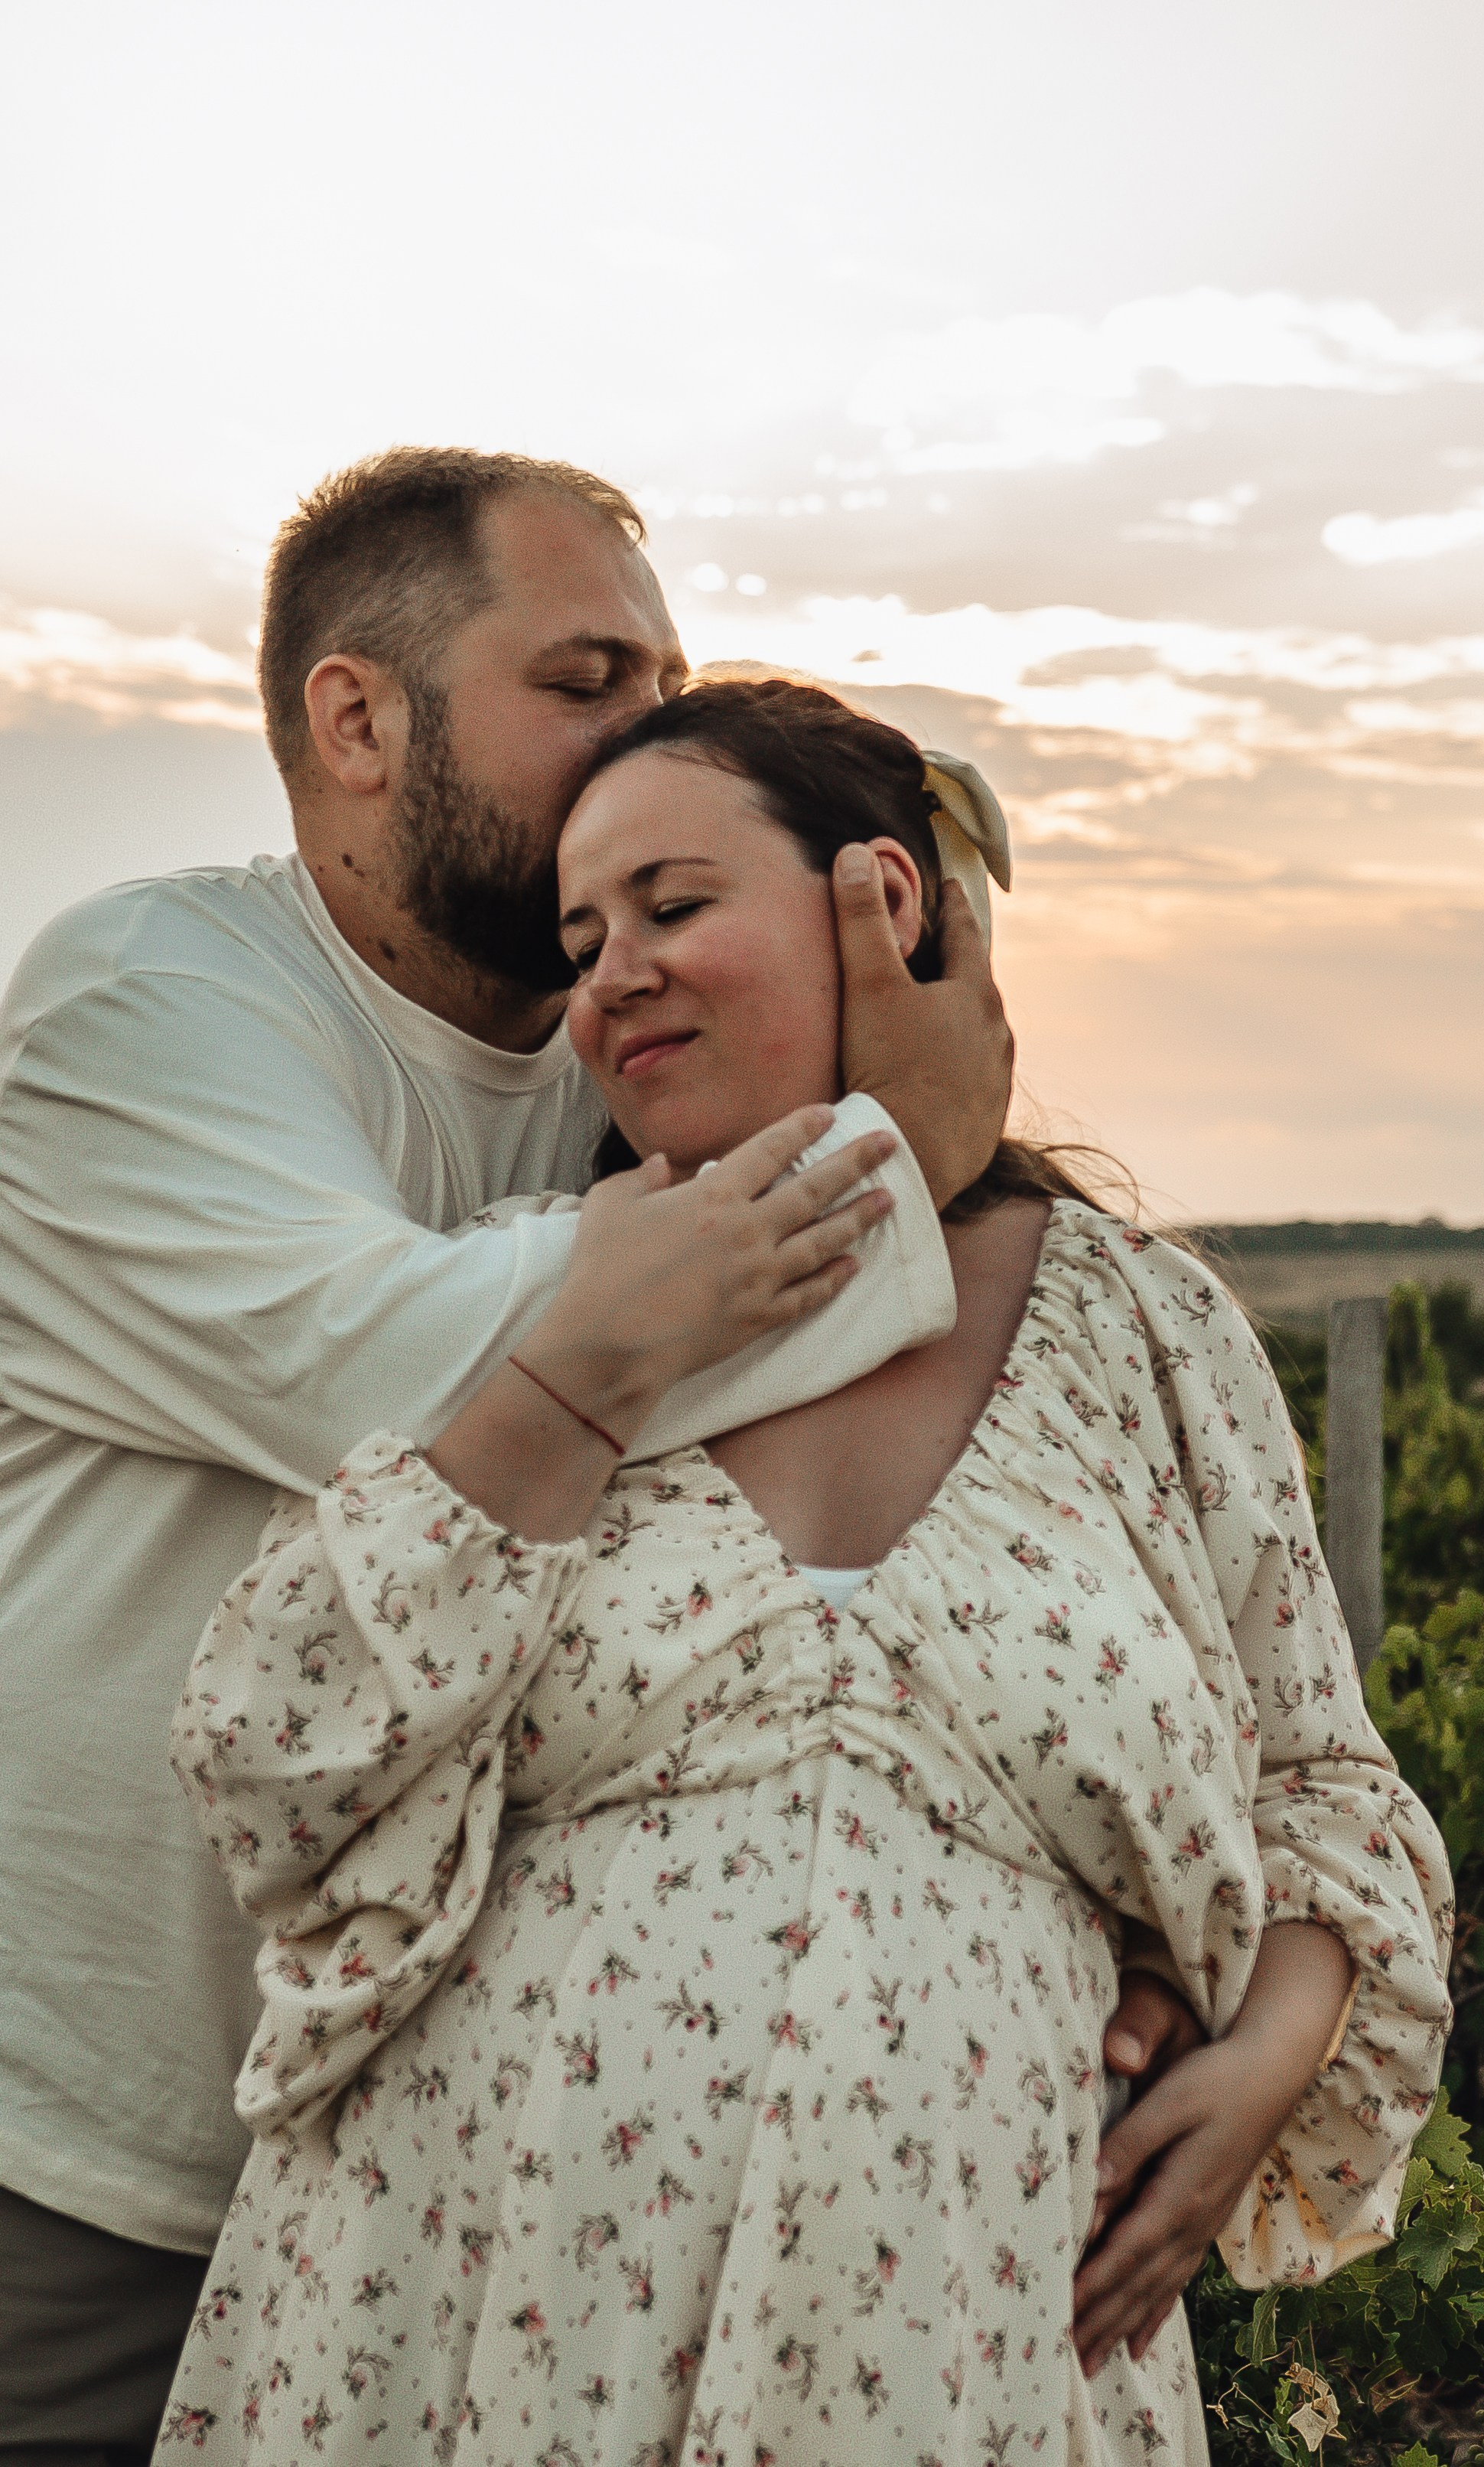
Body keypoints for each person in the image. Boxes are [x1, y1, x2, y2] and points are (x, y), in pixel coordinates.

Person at [0, 450, 1189, 2467]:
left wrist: (1135, 1953)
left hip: (457, 2187)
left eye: (668, 680)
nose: (653, 732)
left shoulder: (620, 1089)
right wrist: (912, 1147)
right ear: (355, 719)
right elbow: (417, 1390)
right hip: (88, 2172)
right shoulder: (147, 1008)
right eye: (588, 677)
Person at [161, 680, 1453, 2465]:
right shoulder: (528, 1295)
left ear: (886, 905)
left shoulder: (1143, 1334)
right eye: (581, 933)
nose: (610, 971)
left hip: (969, 2338)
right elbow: (277, 1767)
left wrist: (1260, 2066)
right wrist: (585, 1375)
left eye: (674, 907)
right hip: (477, 2314)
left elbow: (1323, 1791)